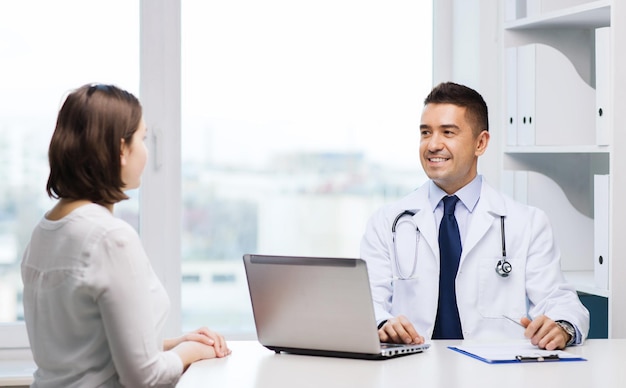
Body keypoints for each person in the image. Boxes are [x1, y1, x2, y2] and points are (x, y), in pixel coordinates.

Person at [21, 83, 231, 388]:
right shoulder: (109, 237)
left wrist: (174, 344)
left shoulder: (44, 231)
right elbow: (143, 377)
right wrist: (192, 352)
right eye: (142, 138)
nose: (146, 150)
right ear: (121, 149)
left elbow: (90, 355)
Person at [360, 82, 589, 351]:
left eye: (448, 132)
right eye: (426, 133)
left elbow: (560, 300)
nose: (433, 144)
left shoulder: (527, 223)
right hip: (413, 369)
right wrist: (383, 324)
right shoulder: (387, 222)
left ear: (480, 143)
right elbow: (367, 302)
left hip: (495, 371)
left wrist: (561, 326)